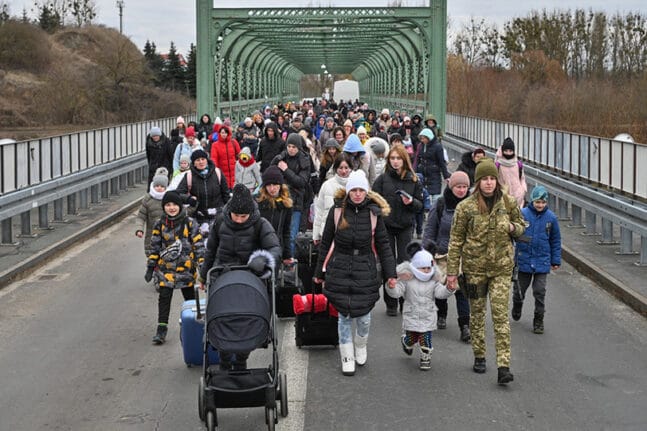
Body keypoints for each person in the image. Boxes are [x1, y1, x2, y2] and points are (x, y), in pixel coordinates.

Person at [446, 158, 526, 385]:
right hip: (475, 270)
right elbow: (456, 241)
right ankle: (479, 355)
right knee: (477, 315)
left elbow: (522, 226)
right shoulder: (466, 208)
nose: (489, 183)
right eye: (485, 179)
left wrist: (512, 227)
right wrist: (452, 272)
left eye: (492, 179)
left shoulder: (508, 203)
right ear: (478, 182)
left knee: (501, 316)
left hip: (501, 268)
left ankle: (504, 365)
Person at [313, 171, 397, 376]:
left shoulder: (373, 214)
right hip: (340, 266)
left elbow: (383, 244)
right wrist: (319, 273)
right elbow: (326, 243)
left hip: (365, 267)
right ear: (348, 191)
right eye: (354, 190)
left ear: (366, 192)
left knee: (364, 315)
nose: (357, 194)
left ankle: (361, 344)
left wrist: (390, 274)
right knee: (343, 315)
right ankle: (346, 355)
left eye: (361, 190)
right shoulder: (336, 211)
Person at [198, 184, 281, 370]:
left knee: (247, 319)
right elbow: (210, 250)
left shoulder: (261, 224)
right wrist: (203, 276)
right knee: (222, 318)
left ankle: (242, 357)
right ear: (230, 212)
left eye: (244, 217)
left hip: (251, 276)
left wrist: (262, 260)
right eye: (237, 216)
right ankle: (224, 359)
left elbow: (275, 248)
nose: (240, 220)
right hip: (222, 275)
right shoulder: (220, 222)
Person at [144, 190, 203, 344]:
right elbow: (155, 246)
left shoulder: (189, 223)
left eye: (174, 205)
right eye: (168, 205)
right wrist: (151, 266)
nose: (171, 208)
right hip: (166, 270)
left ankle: (195, 327)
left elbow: (198, 245)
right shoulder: (159, 224)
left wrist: (202, 265)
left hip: (186, 269)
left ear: (180, 206)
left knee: (190, 300)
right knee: (164, 298)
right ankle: (161, 330)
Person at [372, 144, 424, 316]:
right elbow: (373, 201)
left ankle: (404, 300)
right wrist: (379, 212)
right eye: (392, 158)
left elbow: (420, 205)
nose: (395, 162)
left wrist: (411, 203)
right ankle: (391, 302)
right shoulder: (382, 179)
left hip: (405, 226)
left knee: (404, 264)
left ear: (404, 160)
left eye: (398, 158)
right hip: (386, 226)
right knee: (389, 263)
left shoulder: (413, 180)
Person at [387, 242, 456, 370]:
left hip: (427, 315)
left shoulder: (433, 280)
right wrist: (391, 286)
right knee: (411, 338)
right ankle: (406, 342)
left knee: (426, 338)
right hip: (411, 314)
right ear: (416, 266)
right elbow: (397, 293)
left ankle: (426, 357)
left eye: (429, 268)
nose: (427, 271)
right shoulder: (407, 278)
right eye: (423, 268)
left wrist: (449, 289)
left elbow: (440, 293)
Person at [422, 170, 472, 342]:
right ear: (452, 187)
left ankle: (465, 325)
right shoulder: (441, 204)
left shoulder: (473, 204)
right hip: (442, 253)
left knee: (462, 291)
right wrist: (426, 252)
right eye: (458, 186)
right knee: (441, 288)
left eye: (465, 187)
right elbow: (430, 229)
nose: (461, 190)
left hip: (464, 255)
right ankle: (441, 313)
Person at [512, 185, 561, 334]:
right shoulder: (523, 214)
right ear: (532, 201)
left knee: (540, 291)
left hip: (542, 261)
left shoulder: (551, 218)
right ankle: (517, 305)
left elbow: (555, 240)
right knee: (519, 290)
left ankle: (538, 320)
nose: (540, 205)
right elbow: (514, 234)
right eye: (537, 202)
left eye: (543, 202)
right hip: (524, 260)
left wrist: (555, 260)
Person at [271, 133, 312, 256]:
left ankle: (290, 262)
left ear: (299, 147)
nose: (291, 149)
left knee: (291, 236)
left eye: (294, 147)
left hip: (296, 202)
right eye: (289, 146)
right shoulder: (281, 157)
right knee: (276, 234)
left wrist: (285, 170)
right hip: (280, 200)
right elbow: (271, 173)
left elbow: (301, 182)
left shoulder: (304, 160)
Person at [175, 149, 229, 228]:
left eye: (203, 159)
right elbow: (178, 194)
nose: (201, 162)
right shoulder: (189, 175)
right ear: (194, 163)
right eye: (198, 160)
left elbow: (226, 194)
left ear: (207, 160)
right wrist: (189, 199)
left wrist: (228, 211)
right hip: (198, 217)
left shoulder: (217, 173)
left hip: (218, 216)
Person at [312, 153, 353, 244]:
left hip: (350, 234)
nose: (343, 171)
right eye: (340, 168)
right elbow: (319, 210)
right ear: (335, 169)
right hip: (327, 232)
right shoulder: (327, 185)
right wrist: (316, 233)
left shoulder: (356, 187)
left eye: (346, 168)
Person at [256, 166, 293, 264]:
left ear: (280, 185)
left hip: (276, 248)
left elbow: (286, 231)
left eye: (275, 185)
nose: (272, 188)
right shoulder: (258, 202)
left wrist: (287, 255)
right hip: (259, 249)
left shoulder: (286, 204)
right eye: (268, 185)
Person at [135, 168, 169, 256]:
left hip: (167, 236)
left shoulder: (169, 199)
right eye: (157, 186)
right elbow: (141, 216)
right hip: (151, 237)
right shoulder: (148, 199)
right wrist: (139, 229)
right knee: (152, 260)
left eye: (162, 187)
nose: (159, 188)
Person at [414, 128, 450, 205]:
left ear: (428, 137)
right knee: (423, 196)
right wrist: (414, 171)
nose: (422, 140)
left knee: (435, 198)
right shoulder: (421, 146)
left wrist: (446, 176)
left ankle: (435, 213)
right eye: (421, 138)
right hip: (423, 174)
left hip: (434, 175)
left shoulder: (437, 146)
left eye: (423, 138)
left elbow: (441, 162)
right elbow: (417, 159)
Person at [495, 137, 527, 207]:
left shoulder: (518, 164)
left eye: (510, 151)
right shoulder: (498, 164)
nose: (508, 153)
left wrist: (523, 190)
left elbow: (522, 178)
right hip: (503, 197)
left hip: (518, 198)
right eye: (506, 151)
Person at [210, 125, 240, 189]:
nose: (224, 134)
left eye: (226, 133)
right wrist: (215, 170)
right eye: (222, 133)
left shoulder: (234, 142)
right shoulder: (215, 145)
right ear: (219, 133)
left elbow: (240, 155)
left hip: (234, 171)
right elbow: (214, 158)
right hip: (222, 172)